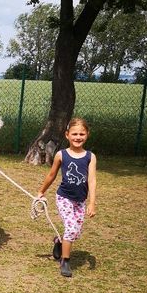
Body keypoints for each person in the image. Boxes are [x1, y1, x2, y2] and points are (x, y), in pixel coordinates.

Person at [36, 117, 97, 278]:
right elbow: (51, 175)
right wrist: (41, 191)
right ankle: (65, 261)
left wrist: (92, 203)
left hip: (80, 201)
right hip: (64, 198)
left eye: (81, 134)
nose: (78, 137)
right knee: (70, 229)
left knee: (75, 233)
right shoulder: (61, 155)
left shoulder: (90, 157)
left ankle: (59, 241)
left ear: (87, 135)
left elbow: (91, 180)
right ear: (67, 135)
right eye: (74, 134)